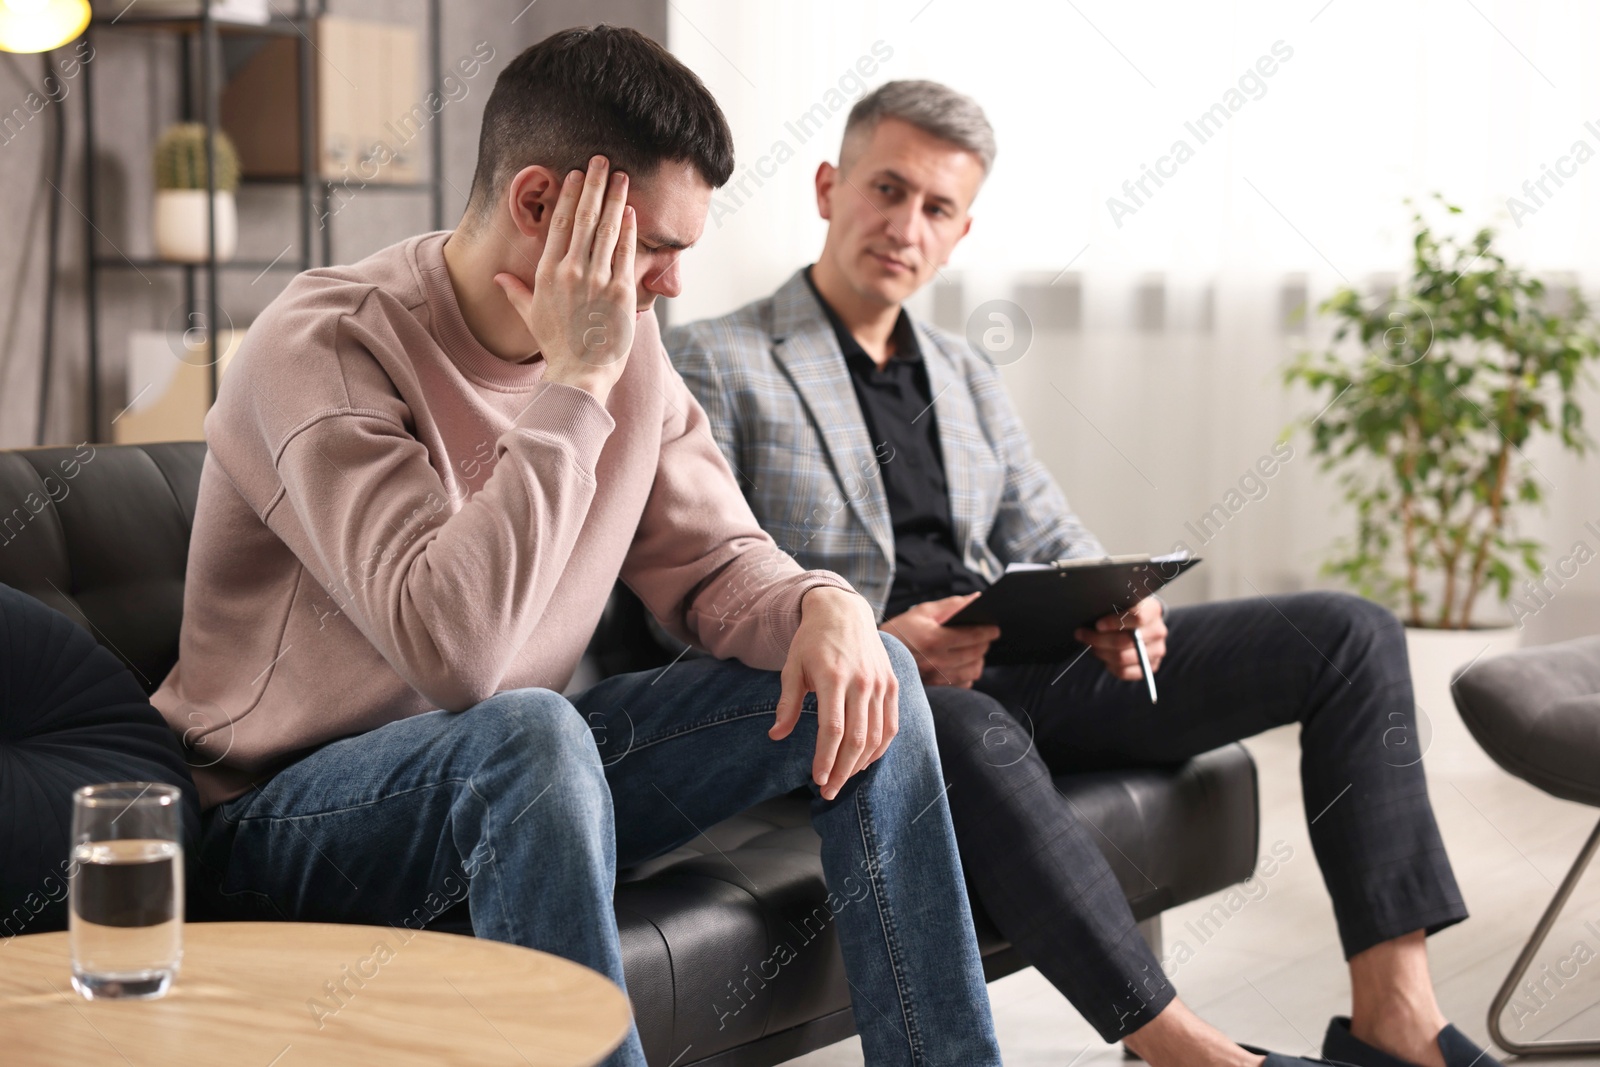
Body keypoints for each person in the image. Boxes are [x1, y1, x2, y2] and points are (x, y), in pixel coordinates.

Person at [151, 34, 1003, 1067]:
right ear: (542, 204)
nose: (674, 284)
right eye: (653, 247)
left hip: (518, 774)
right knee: (528, 731)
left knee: (872, 670)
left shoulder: (626, 341)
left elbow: (715, 558)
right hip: (283, 818)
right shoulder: (325, 344)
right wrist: (577, 381)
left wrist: (823, 603)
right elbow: (453, 651)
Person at [668, 78, 1498, 1067]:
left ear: (960, 230)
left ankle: (1394, 1018)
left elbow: (1049, 526)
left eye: (936, 208)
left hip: (1030, 667)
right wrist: (886, 639)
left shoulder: (962, 371)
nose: (904, 225)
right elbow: (704, 585)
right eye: (885, 190)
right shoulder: (716, 360)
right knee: (952, 717)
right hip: (883, 696)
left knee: (1350, 630)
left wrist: (1120, 601)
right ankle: (1187, 1049)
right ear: (826, 187)